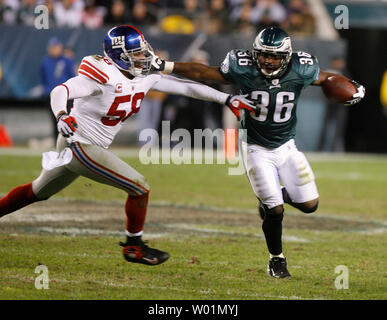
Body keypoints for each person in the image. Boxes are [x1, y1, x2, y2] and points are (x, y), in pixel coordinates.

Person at [0, 25, 254, 266]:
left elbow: (184, 86)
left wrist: (226, 98)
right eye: (136, 54)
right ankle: (133, 246)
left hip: (86, 145)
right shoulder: (102, 75)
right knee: (139, 187)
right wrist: (61, 115)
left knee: (37, 191)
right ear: (118, 56)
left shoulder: (143, 76)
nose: (144, 57)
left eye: (144, 50)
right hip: (80, 143)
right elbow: (60, 91)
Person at [150, 26, 365, 277]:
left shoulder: (301, 67)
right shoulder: (242, 66)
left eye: (274, 56)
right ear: (255, 53)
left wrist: (349, 85)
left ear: (286, 56)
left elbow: (324, 77)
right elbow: (204, 71)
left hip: (287, 145)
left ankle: (272, 198)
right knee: (275, 210)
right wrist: (165, 65)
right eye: (263, 54)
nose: (268, 60)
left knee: (309, 205)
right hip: (255, 148)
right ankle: (277, 259)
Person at [41, 37, 76, 139]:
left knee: (68, 119)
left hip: (66, 96)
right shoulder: (45, 62)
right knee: (55, 120)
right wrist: (46, 91)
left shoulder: (67, 61)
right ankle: (57, 143)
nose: (54, 49)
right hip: (51, 95)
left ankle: (70, 142)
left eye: (56, 47)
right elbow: (43, 78)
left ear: (60, 47)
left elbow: (72, 77)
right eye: (52, 47)